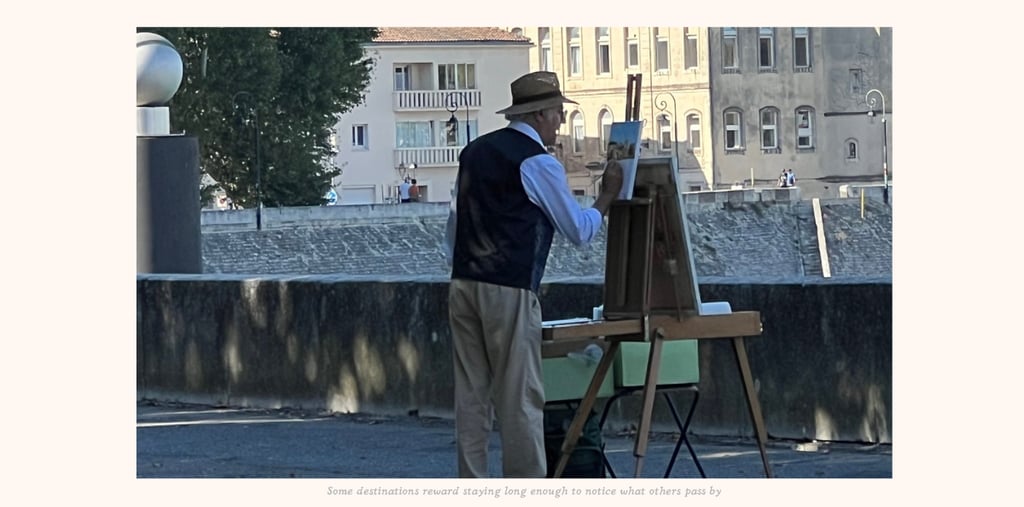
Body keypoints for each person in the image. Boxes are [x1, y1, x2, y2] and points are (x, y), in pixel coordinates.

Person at [443, 70, 623, 478]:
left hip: (463, 281)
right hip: (509, 287)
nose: (561, 121)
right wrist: (607, 195)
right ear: (539, 115)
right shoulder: (538, 162)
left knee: (471, 396)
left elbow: (452, 227)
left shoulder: (475, 151)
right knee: (519, 398)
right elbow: (577, 230)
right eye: (558, 112)